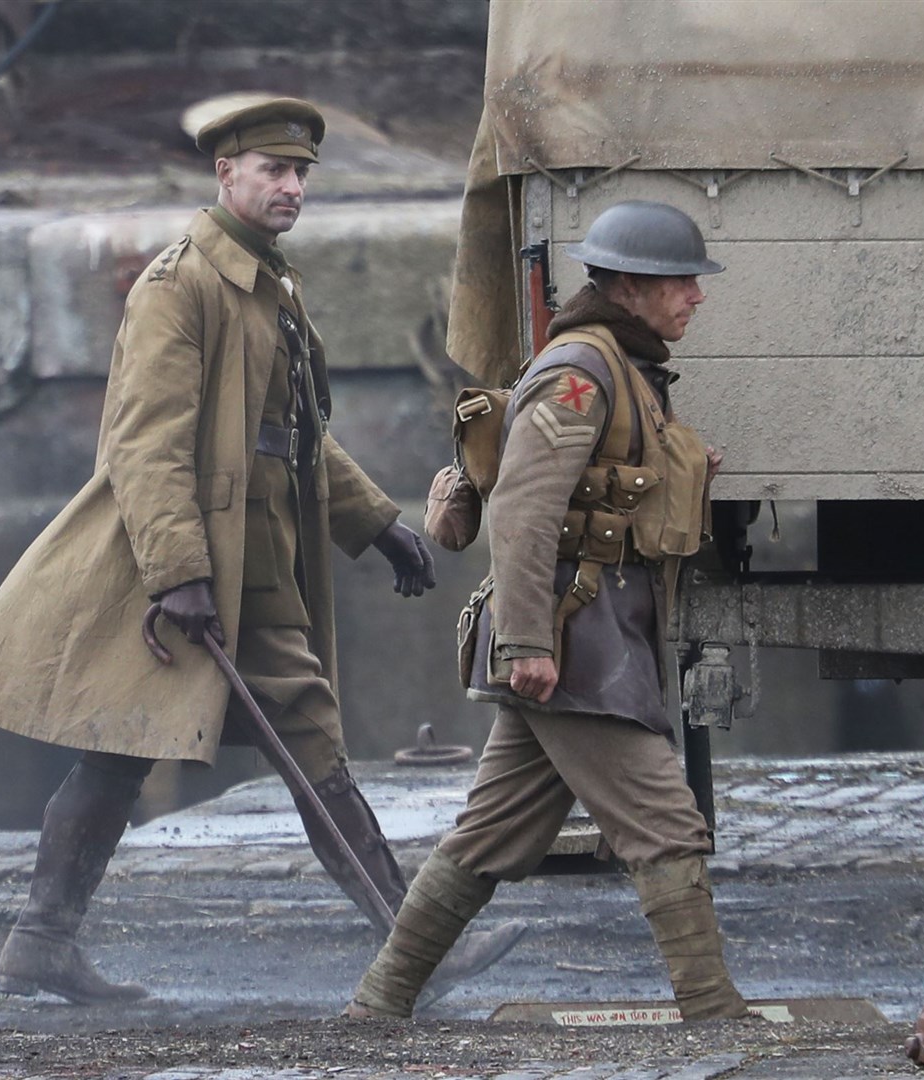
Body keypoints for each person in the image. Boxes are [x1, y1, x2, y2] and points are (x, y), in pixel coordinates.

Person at [0, 96, 523, 1006]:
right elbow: (144, 444)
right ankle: (417, 946)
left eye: (301, 174)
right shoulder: (181, 287)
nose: (290, 188)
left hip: (257, 552)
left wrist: (379, 524)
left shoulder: (268, 284)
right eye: (273, 171)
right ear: (225, 174)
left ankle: (40, 941)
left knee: (124, 750)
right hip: (200, 567)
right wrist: (181, 578)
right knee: (302, 733)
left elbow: (297, 434)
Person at [348, 201, 751, 1021]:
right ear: (632, 287)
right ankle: (714, 1010)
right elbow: (526, 508)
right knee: (666, 826)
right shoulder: (580, 371)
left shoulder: (622, 366)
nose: (696, 298)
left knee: (487, 838)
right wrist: (527, 642)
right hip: (576, 643)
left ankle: (377, 1005)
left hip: (590, 635)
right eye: (682, 283)